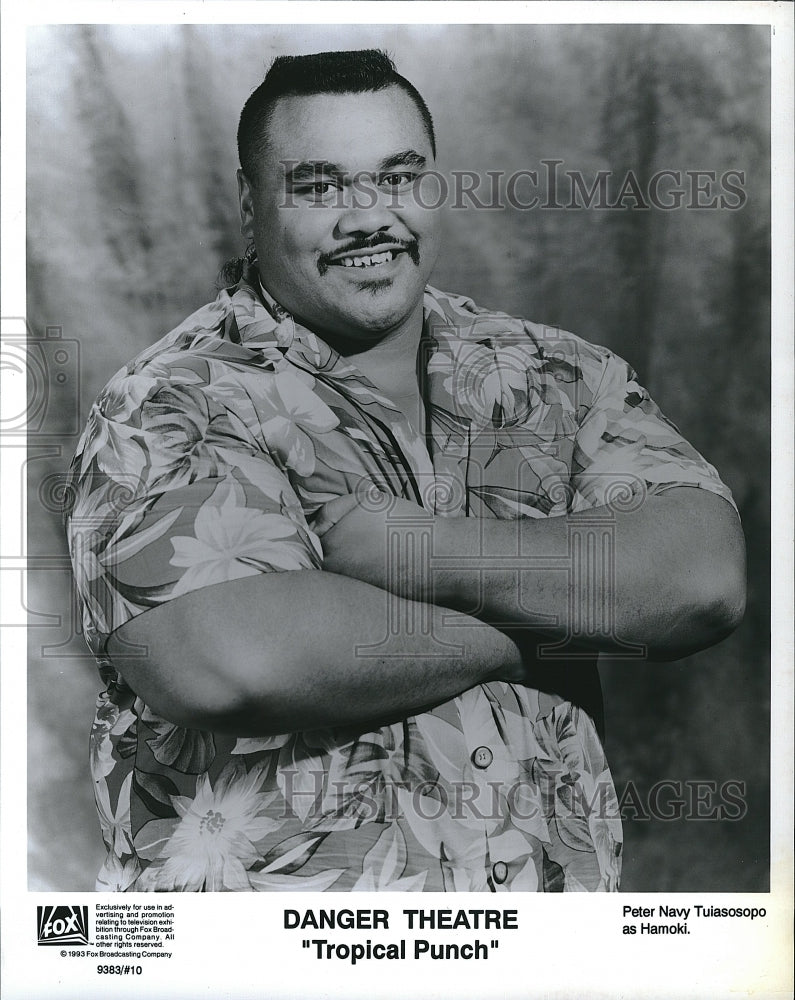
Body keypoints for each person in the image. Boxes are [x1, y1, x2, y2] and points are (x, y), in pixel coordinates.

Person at [65, 49, 745, 893]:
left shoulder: (557, 374)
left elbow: (698, 580)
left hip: (543, 955)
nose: (368, 218)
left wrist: (420, 553)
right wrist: (561, 614)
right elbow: (237, 661)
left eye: (398, 177)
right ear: (250, 206)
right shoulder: (169, 403)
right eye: (319, 187)